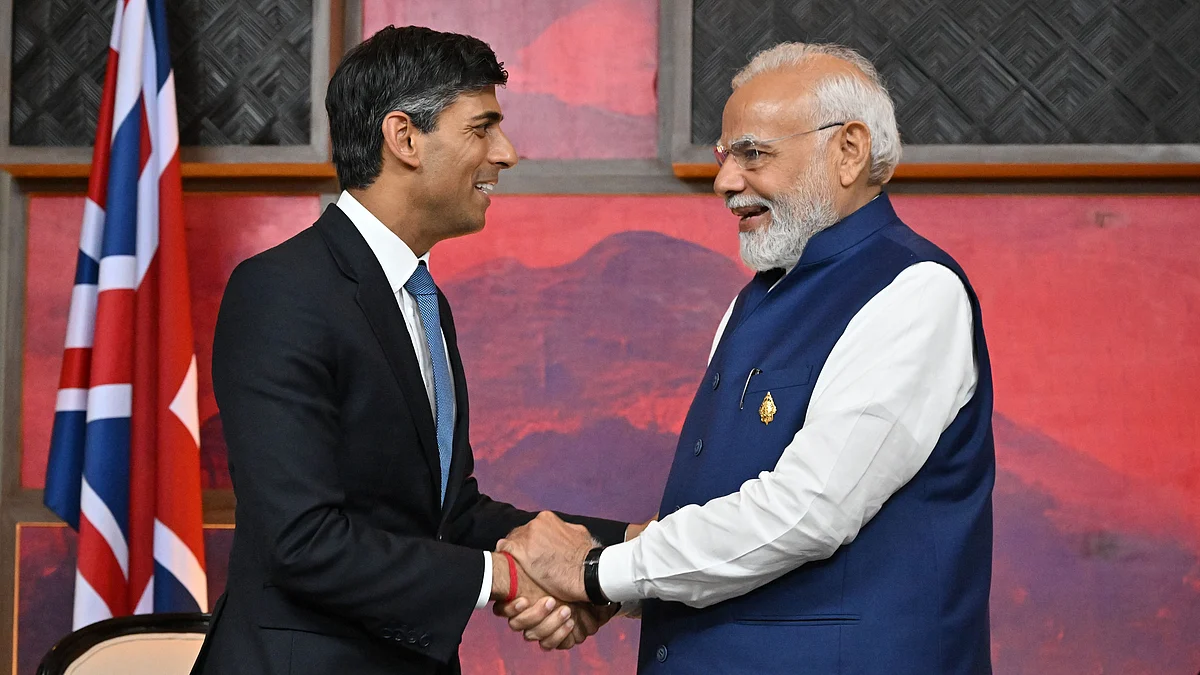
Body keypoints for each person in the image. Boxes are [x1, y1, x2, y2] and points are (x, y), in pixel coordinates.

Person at [496, 42, 995, 674]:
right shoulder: (755, 300)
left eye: (752, 154)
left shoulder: (914, 290)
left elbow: (807, 512)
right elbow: (728, 523)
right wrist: (611, 591)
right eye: (724, 156)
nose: (726, 181)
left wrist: (597, 573)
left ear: (848, 150)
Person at [190, 26, 627, 675]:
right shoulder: (281, 291)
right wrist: (508, 575)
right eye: (482, 127)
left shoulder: (423, 299)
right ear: (404, 138)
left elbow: (450, 514)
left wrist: (621, 551)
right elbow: (302, 541)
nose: (505, 152)